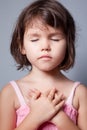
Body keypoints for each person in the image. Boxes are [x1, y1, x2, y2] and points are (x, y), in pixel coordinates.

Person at [0, 0, 87, 130]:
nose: (45, 46)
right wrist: (37, 115)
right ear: (22, 46)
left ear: (68, 45)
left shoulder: (79, 93)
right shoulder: (10, 92)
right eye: (35, 39)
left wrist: (58, 116)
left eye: (55, 39)